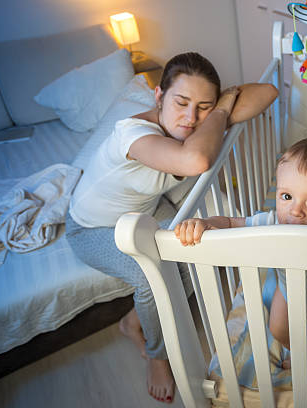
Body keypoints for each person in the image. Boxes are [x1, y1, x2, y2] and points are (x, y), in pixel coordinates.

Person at [65, 51, 278, 404]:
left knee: (191, 249)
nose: (191, 118)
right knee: (152, 275)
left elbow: (269, 91)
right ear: (159, 97)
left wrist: (222, 102)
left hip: (141, 211)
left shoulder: (195, 121)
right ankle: (157, 355)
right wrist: (222, 109)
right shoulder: (132, 134)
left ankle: (132, 321)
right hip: (91, 227)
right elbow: (196, 159)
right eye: (181, 102)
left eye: (202, 107)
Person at [174, 138, 307, 393]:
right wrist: (207, 223)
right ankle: (304, 349)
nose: (295, 211)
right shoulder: (274, 222)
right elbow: (231, 223)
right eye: (287, 196)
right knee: (278, 328)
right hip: (288, 294)